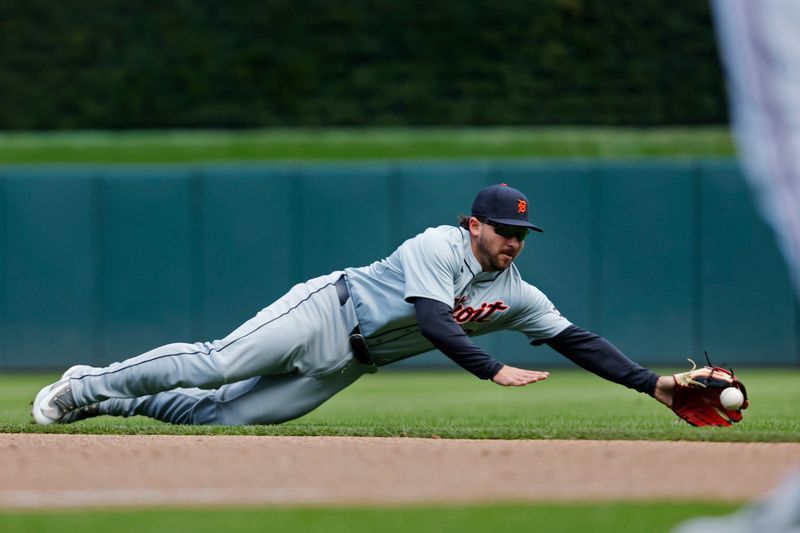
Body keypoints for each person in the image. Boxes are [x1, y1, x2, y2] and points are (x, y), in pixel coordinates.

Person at [32, 183, 676, 426]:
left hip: (350, 363)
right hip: (325, 313)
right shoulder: (438, 245)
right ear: (473, 224)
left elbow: (576, 339)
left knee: (223, 418)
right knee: (215, 364)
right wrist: (490, 368)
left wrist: (654, 385)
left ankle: (115, 399)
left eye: (521, 235)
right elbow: (431, 318)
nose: (513, 242)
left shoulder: (518, 294)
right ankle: (86, 381)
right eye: (504, 230)